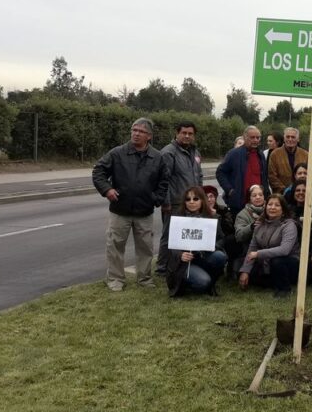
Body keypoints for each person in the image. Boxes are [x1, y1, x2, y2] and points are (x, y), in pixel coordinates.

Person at [92, 117, 168, 291]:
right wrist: (107, 190)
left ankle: (145, 279)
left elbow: (164, 181)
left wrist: (156, 199)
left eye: (141, 131)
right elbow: (99, 171)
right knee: (115, 246)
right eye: (134, 130)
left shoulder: (157, 157)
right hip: (120, 210)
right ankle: (115, 280)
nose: (136, 134)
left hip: (145, 212)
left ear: (149, 136)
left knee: (145, 248)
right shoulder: (117, 153)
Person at [156, 121, 203, 275]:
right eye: (184, 133)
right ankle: (162, 268)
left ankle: (178, 263)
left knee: (186, 234)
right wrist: (166, 202)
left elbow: (199, 175)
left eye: (190, 134)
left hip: (192, 202)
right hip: (175, 202)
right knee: (169, 235)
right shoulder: (168, 152)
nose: (187, 136)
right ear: (177, 133)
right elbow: (164, 180)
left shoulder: (195, 152)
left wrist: (200, 197)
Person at [165, 186, 227, 297]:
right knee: (203, 283)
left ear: (202, 200)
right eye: (188, 199)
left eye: (195, 199)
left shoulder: (210, 218)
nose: (191, 202)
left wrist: (210, 246)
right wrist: (180, 254)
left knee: (220, 256)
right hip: (184, 263)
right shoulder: (178, 219)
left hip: (203, 256)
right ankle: (186, 281)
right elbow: (170, 243)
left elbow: (222, 239)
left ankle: (210, 280)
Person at [239, 194, 300, 298]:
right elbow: (252, 248)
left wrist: (259, 254)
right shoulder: (259, 224)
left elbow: (284, 250)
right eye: (270, 204)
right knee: (239, 267)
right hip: (266, 262)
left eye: (277, 205)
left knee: (277, 261)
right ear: (265, 207)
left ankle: (284, 289)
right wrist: (245, 271)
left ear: (283, 209)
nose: (272, 207)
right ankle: (271, 281)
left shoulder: (289, 225)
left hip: (289, 263)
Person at [216, 126, 267, 217]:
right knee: (240, 230)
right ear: (245, 137)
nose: (255, 140)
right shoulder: (234, 154)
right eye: (252, 137)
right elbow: (220, 172)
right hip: (239, 204)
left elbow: (263, 177)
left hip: (258, 204)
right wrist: (230, 190)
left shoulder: (261, 155)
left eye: (258, 137)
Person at [285, 179, 312, 275]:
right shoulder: (287, 209)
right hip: (291, 250)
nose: (301, 193)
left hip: (308, 251)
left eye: (304, 190)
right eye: (298, 190)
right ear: (293, 192)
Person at [232, 185, 266, 275]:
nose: (258, 197)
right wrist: (251, 227)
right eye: (254, 195)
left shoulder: (271, 208)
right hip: (250, 248)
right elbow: (239, 236)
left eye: (260, 195)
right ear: (249, 198)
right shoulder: (242, 214)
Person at [268, 127, 308, 193]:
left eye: (293, 137)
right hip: (281, 194)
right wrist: (285, 190)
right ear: (284, 138)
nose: (290, 139)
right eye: (288, 137)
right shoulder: (275, 154)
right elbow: (272, 176)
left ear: (298, 139)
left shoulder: (305, 154)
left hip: (301, 193)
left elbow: (309, 175)